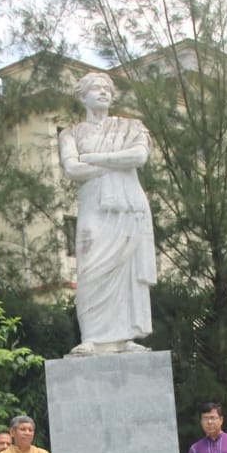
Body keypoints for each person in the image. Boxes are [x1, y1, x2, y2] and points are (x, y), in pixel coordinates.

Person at [59, 71, 157, 355]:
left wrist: (93, 159)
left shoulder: (131, 126)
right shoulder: (72, 133)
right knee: (90, 269)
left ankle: (126, 337)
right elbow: (73, 169)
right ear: (82, 95)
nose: (103, 92)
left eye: (107, 88)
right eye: (96, 88)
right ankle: (91, 336)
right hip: (94, 207)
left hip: (129, 207)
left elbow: (139, 157)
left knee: (125, 270)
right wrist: (118, 162)